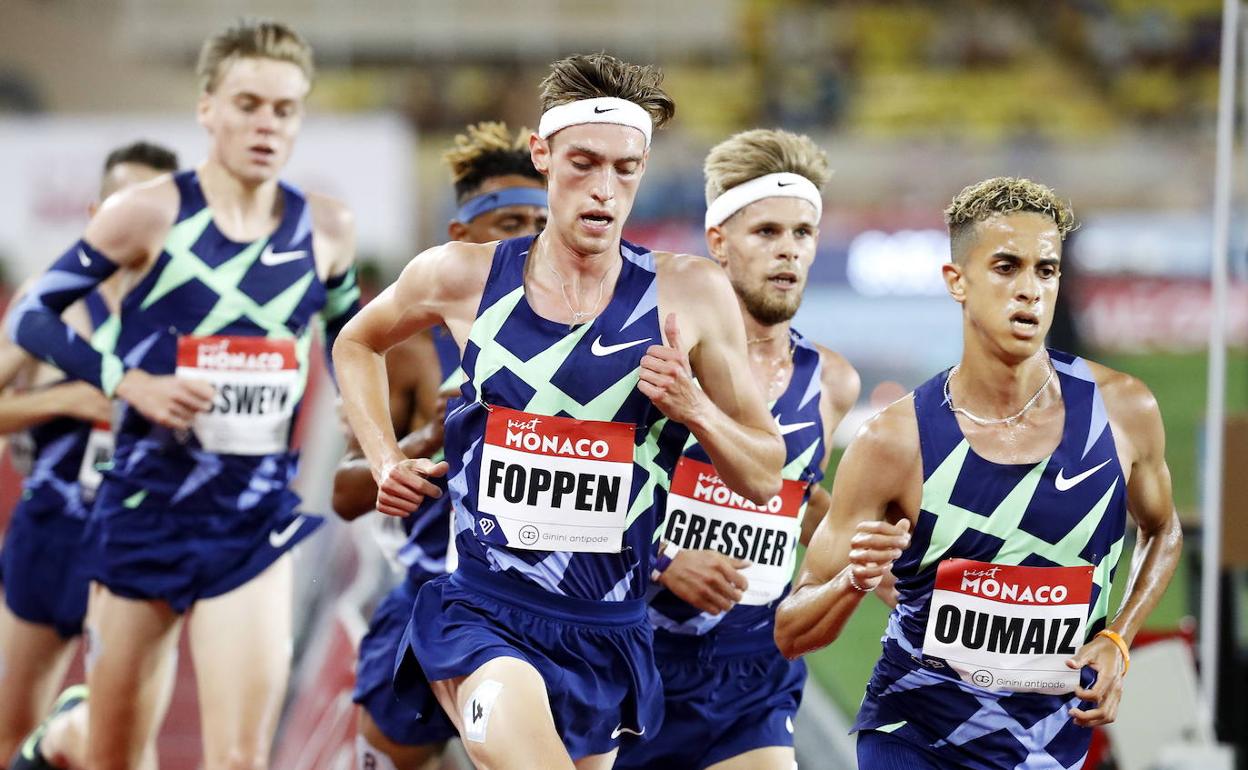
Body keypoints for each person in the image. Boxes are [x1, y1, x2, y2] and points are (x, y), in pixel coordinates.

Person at [334, 53, 784, 770]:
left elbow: (763, 475)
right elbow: (357, 341)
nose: (604, 189)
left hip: (608, 629)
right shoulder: (463, 276)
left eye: (625, 169)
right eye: (584, 163)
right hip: (485, 614)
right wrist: (386, 458)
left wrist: (696, 407)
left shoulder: (691, 293)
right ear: (542, 154)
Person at [7, 19, 358, 770]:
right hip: (145, 511)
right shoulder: (148, 212)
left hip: (250, 522)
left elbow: (350, 343)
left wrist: (374, 431)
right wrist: (127, 381)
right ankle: (67, 733)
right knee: (114, 756)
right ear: (207, 109)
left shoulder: (327, 228)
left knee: (238, 759)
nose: (266, 125)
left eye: (284, 109)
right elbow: (32, 317)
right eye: (248, 105)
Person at [775, 177, 1184, 770]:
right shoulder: (895, 441)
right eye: (1006, 267)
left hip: (1046, 747)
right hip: (912, 735)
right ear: (957, 281)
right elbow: (791, 631)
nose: (1030, 290)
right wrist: (853, 580)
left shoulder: (1123, 412)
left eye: (1046, 271)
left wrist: (1119, 636)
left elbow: (1162, 530)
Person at [614, 128, 860, 770]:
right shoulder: (659, 360)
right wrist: (663, 562)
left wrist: (884, 566)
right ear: (718, 242)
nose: (788, 250)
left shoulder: (831, 382)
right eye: (767, 232)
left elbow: (800, 498)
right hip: (633, 654)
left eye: (803, 233)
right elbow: (582, 496)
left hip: (753, 674)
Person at [332, 121, 547, 770]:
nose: (529, 240)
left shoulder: (588, 343)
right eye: (509, 224)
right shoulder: (412, 350)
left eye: (541, 223)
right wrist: (427, 439)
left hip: (547, 607)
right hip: (429, 598)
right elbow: (343, 494)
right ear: (461, 236)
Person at [0, 141, 179, 768]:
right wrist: (70, 398)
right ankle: (60, 733)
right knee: (11, 730)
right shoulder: (53, 302)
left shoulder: (196, 309)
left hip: (142, 534)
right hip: (54, 529)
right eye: (128, 203)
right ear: (97, 212)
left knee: (126, 744)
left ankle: (73, 728)